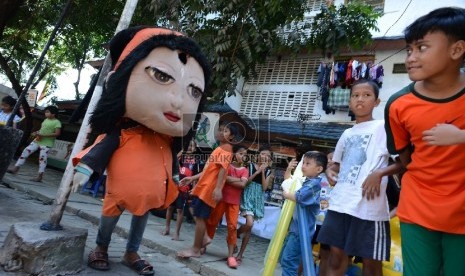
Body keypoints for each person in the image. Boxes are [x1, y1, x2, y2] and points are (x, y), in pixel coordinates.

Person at [70, 26, 211, 275]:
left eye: (194, 91)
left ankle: (131, 252)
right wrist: (85, 169)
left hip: (148, 197)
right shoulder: (122, 131)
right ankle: (101, 247)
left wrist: (177, 180)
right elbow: (100, 151)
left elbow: (172, 164)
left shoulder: (166, 141)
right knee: (110, 216)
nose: (179, 101)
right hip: (117, 193)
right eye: (161, 75)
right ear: (118, 80)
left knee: (141, 218)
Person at [384, 7, 465, 276]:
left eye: (422, 48)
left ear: (456, 50)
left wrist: (461, 138)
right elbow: (405, 159)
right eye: (409, 50)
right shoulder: (398, 105)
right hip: (418, 207)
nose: (410, 58)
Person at [316, 79, 402, 276]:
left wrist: (379, 173)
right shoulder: (347, 133)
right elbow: (335, 166)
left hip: (368, 208)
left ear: (377, 101)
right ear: (349, 102)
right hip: (340, 204)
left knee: (371, 266)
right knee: (335, 259)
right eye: (355, 96)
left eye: (366, 95)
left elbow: (404, 161)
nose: (360, 99)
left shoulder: (383, 128)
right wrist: (330, 172)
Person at [177, 121, 237, 258]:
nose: (221, 132)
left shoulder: (227, 148)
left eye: (226, 131)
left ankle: (196, 249)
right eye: (221, 129)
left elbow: (222, 170)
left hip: (209, 189)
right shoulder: (220, 148)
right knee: (195, 212)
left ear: (232, 137)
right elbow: (209, 170)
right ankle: (204, 239)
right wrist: (192, 178)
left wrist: (217, 189)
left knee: (200, 217)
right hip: (204, 186)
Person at [280, 151, 328, 276]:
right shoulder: (306, 181)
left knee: (289, 261)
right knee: (286, 259)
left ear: (319, 169)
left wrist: (286, 194)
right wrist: (289, 170)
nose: (303, 166)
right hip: (295, 229)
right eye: (303, 163)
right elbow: (289, 181)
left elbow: (299, 196)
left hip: (301, 231)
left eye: (308, 163)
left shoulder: (313, 184)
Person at [204, 144, 249, 268]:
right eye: (240, 153)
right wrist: (238, 180)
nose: (243, 156)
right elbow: (224, 178)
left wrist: (229, 179)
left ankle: (230, 256)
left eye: (245, 155)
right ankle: (203, 246)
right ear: (234, 154)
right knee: (212, 222)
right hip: (222, 199)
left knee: (232, 227)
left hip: (234, 202)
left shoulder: (245, 170)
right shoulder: (227, 166)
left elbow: (243, 185)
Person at [235, 146, 273, 263]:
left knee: (249, 228)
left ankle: (240, 254)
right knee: (249, 223)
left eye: (267, 155)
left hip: (257, 199)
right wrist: (257, 171)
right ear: (258, 155)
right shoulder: (250, 166)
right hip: (247, 196)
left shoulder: (269, 171)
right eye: (263, 154)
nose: (264, 156)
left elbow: (265, 187)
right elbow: (246, 182)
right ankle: (236, 233)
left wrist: (262, 171)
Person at [8, 106, 61, 182]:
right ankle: (16, 168)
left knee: (42, 159)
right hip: (38, 140)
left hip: (47, 143)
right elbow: (42, 130)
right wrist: (36, 132)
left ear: (53, 114)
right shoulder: (45, 120)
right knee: (26, 151)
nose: (46, 113)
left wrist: (44, 135)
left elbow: (57, 133)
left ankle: (40, 176)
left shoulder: (57, 122)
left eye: (48, 112)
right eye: (45, 111)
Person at [162, 139, 201, 240]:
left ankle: (177, 233)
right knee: (170, 207)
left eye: (191, 146)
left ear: (195, 148)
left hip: (185, 189)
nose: (189, 148)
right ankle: (167, 228)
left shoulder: (195, 161)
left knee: (180, 210)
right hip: (174, 186)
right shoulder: (181, 158)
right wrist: (183, 150)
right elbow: (174, 158)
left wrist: (194, 189)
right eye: (188, 146)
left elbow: (195, 177)